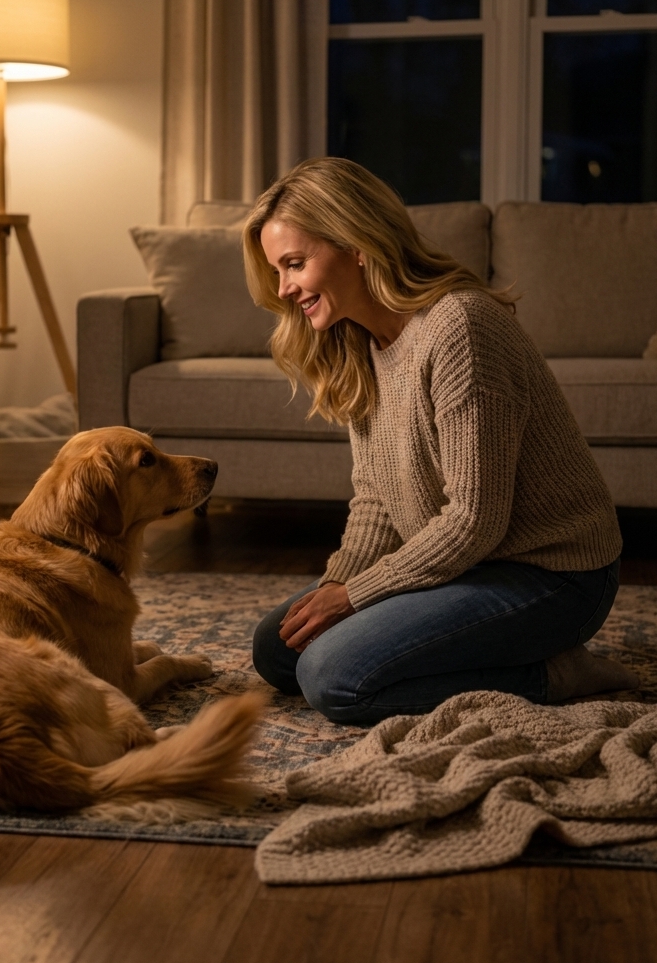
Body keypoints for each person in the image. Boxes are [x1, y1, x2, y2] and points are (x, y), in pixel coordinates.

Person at [244, 157, 638, 724]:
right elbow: (376, 499)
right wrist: (336, 582)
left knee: (332, 679)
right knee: (276, 650)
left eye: (295, 264)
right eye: (277, 271)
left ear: (356, 243)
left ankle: (554, 673)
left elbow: (475, 520)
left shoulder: (460, 327)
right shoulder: (359, 343)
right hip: (468, 565)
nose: (284, 289)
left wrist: (354, 598)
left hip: (553, 577)